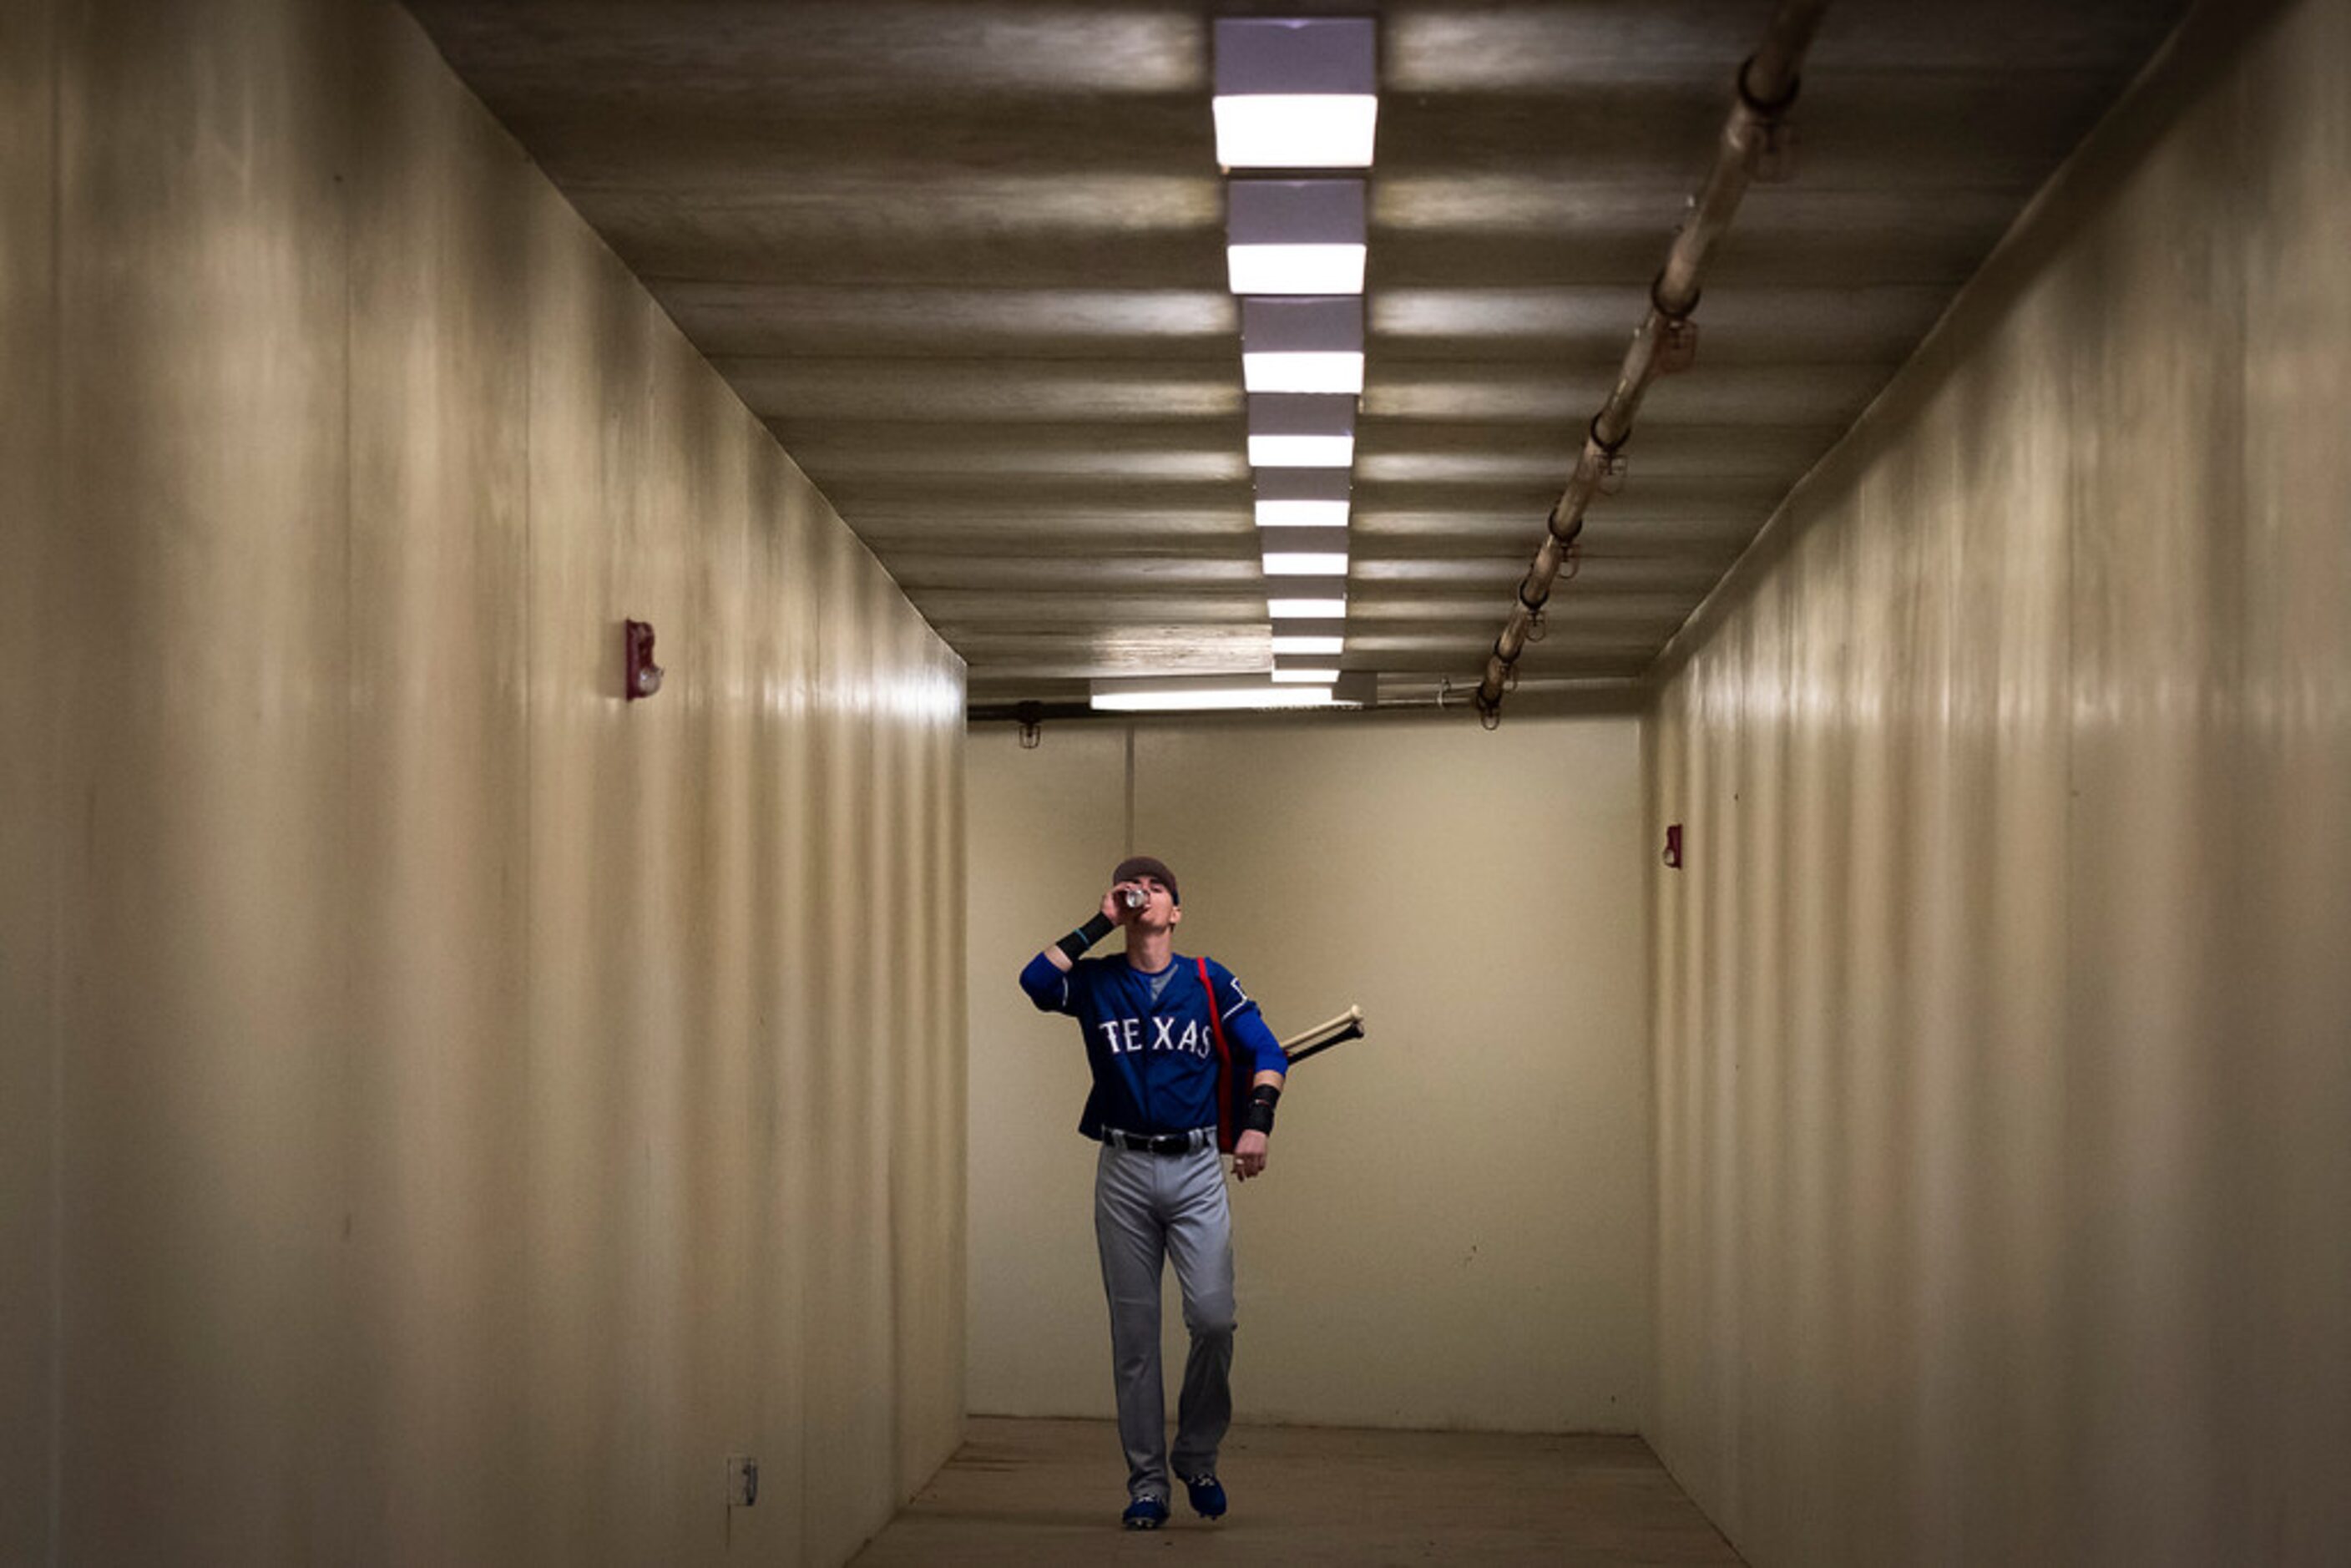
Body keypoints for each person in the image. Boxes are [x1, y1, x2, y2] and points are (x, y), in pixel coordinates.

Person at [1018, 854, 1288, 1531]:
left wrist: (1256, 1126)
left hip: (1196, 1167)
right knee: (1135, 1338)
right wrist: (1099, 922)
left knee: (1215, 1319)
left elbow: (1269, 1051)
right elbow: (1034, 979)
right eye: (1133, 888)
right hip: (1124, 1168)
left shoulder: (1207, 979)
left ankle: (1196, 1455)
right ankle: (1146, 1485)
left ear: (1175, 910)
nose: (1145, 895)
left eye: (1157, 888)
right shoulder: (1099, 981)